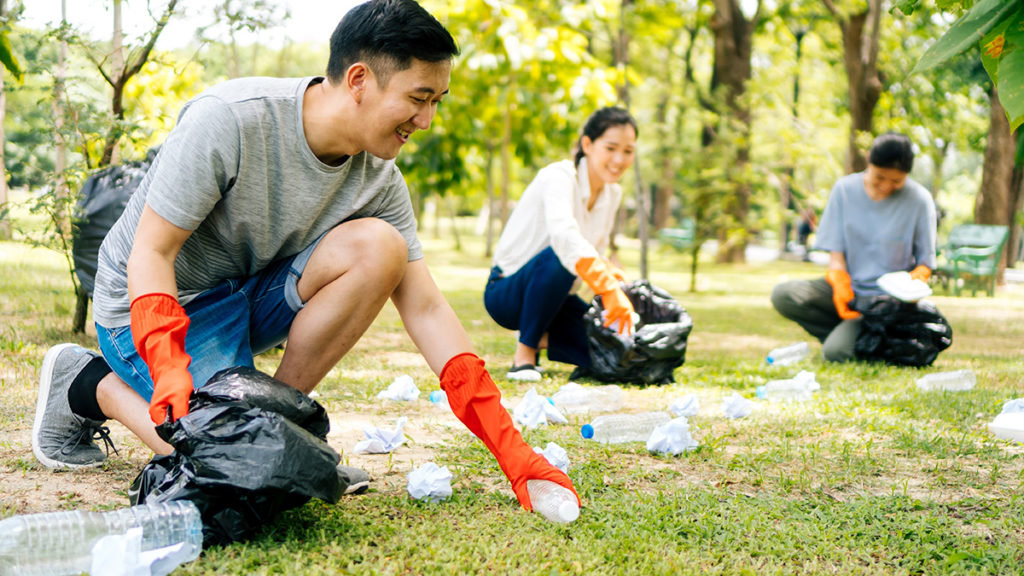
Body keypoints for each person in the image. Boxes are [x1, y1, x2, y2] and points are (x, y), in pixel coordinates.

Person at [31, 0, 577, 513]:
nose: (427, 120)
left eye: (437, 101)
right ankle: (87, 383)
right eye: (418, 98)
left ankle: (275, 424)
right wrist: (168, 362)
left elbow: (428, 310)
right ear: (360, 79)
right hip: (151, 303)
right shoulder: (230, 119)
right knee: (234, 471)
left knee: (380, 248)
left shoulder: (380, 183)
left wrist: (511, 449)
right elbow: (152, 249)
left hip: (245, 296)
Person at [484, 107, 638, 382]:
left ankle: (543, 336)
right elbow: (565, 238)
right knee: (562, 252)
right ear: (587, 144)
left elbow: (596, 251)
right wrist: (606, 286)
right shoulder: (558, 176)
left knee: (611, 354)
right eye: (611, 147)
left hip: (557, 300)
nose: (619, 159)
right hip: (507, 293)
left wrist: (616, 283)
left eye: (628, 151)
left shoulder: (612, 193)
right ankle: (524, 357)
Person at [770, 133, 936, 362]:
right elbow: (836, 255)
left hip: (888, 304)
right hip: (852, 291)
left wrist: (914, 283)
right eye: (880, 177)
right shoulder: (844, 190)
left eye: (896, 181)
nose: (887, 186)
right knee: (784, 295)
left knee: (835, 353)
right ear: (869, 159)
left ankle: (854, 339)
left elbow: (925, 263)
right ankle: (860, 337)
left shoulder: (919, 200)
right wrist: (839, 280)